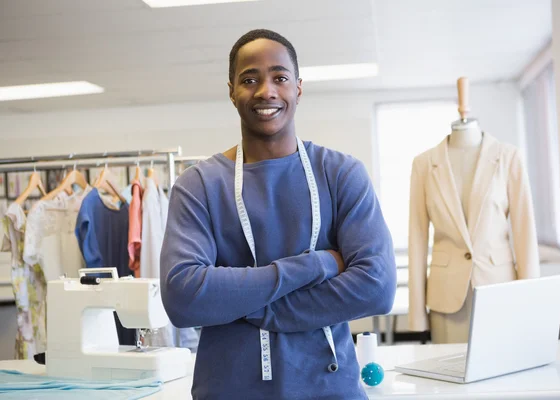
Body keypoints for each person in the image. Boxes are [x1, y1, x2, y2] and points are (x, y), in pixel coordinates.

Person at [160, 29, 396, 400]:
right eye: (249, 79)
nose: (265, 91)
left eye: (280, 78)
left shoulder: (340, 173)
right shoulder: (199, 185)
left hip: (329, 389)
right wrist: (316, 265)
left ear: (298, 88)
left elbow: (377, 288)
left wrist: (247, 306)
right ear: (231, 91)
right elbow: (183, 297)